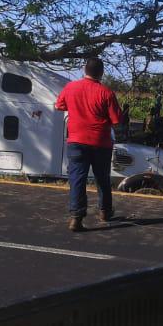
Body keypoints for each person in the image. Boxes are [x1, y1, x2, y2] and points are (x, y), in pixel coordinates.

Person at [54, 56, 123, 232]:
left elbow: (59, 105)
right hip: (100, 142)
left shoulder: (70, 87)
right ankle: (105, 212)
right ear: (101, 72)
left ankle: (76, 217)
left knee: (77, 178)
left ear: (85, 70)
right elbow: (116, 120)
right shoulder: (106, 92)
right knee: (102, 178)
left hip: (76, 141)